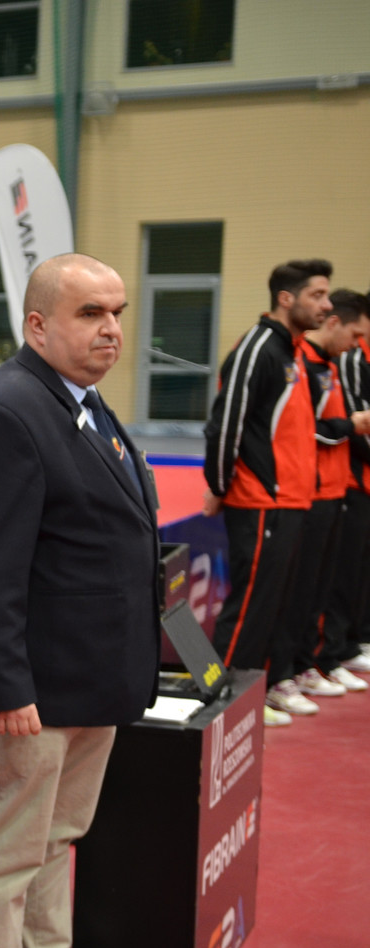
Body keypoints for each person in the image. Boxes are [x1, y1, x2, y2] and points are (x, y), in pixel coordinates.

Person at [0, 253, 158, 948]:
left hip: (90, 678)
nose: (110, 329)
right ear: (37, 325)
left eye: (117, 313)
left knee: (56, 838)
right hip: (32, 690)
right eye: (89, 313)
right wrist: (7, 685)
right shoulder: (8, 411)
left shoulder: (83, 403)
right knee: (4, 853)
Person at [203, 260, 333, 727]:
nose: (326, 305)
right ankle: (218, 703)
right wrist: (220, 484)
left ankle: (258, 689)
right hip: (260, 501)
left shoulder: (292, 352)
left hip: (291, 500)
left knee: (273, 605)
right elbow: (226, 424)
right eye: (317, 295)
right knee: (248, 609)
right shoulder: (257, 348)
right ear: (286, 298)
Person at [275, 290, 370, 697]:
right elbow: (306, 429)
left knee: (323, 584)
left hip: (333, 488)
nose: (356, 343)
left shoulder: (327, 364)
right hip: (304, 492)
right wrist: (352, 425)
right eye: (355, 334)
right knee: (301, 590)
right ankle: (286, 672)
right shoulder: (297, 362)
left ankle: (316, 661)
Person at [329, 293, 370, 674]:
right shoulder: (353, 360)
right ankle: (338, 646)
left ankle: (356, 638)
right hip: (350, 482)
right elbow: (356, 423)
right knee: (345, 570)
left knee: (361, 568)